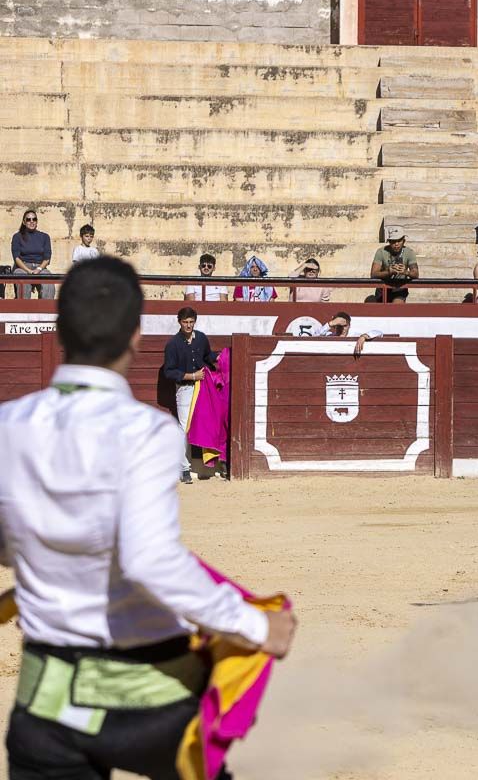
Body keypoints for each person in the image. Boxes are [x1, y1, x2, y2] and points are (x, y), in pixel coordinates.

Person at [0, 257, 296, 778]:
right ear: (136, 335)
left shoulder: (8, 424)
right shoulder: (148, 432)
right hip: (143, 701)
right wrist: (253, 625)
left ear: (61, 330)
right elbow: (148, 560)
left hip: (44, 706)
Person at [162, 306, 218, 484]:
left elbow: (209, 356)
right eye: (185, 322)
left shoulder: (200, 338)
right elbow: (169, 372)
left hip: (203, 387)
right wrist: (192, 376)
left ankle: (209, 464)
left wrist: (222, 359)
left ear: (195, 321)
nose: (188, 325)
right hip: (185, 388)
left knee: (207, 423)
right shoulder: (173, 344)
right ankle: (183, 467)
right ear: (179, 322)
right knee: (184, 427)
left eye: (191, 322)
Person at [11, 208, 54, 300]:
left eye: (34, 219)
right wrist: (29, 271)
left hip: (40, 267)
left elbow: (47, 257)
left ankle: (45, 310)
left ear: (37, 221)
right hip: (22, 267)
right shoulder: (17, 237)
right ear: (24, 222)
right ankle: (24, 309)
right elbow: (17, 258)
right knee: (23, 280)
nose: (31, 221)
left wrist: (38, 269)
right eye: (28, 219)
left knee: (49, 281)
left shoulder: (44, 237)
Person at [370, 228, 419, 303]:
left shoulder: (409, 252)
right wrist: (389, 272)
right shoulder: (381, 252)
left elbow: (416, 274)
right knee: (374, 305)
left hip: (400, 287)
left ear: (404, 241)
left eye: (399, 240)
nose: (396, 244)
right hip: (383, 287)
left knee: (396, 307)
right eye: (393, 241)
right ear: (389, 242)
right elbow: (373, 274)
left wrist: (406, 272)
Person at [309, 311, 382, 356]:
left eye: (345, 326)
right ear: (334, 326)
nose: (342, 329)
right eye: (339, 325)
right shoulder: (329, 335)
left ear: (349, 326)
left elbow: (379, 333)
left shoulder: (356, 336)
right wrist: (331, 323)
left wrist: (364, 337)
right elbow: (314, 336)